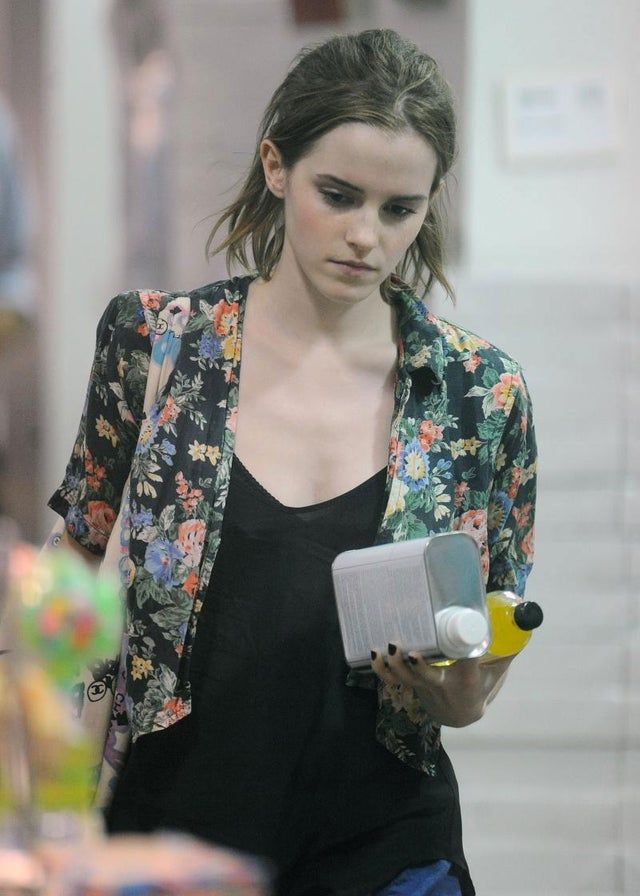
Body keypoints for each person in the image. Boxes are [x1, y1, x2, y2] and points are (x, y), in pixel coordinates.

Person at [45, 29, 537, 896]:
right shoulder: (156, 345)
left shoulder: (478, 394)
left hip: (386, 848)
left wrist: (460, 695)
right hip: (170, 838)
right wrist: (38, 780)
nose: (364, 236)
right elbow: (77, 557)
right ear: (276, 165)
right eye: (337, 195)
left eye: (399, 209)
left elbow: (485, 633)